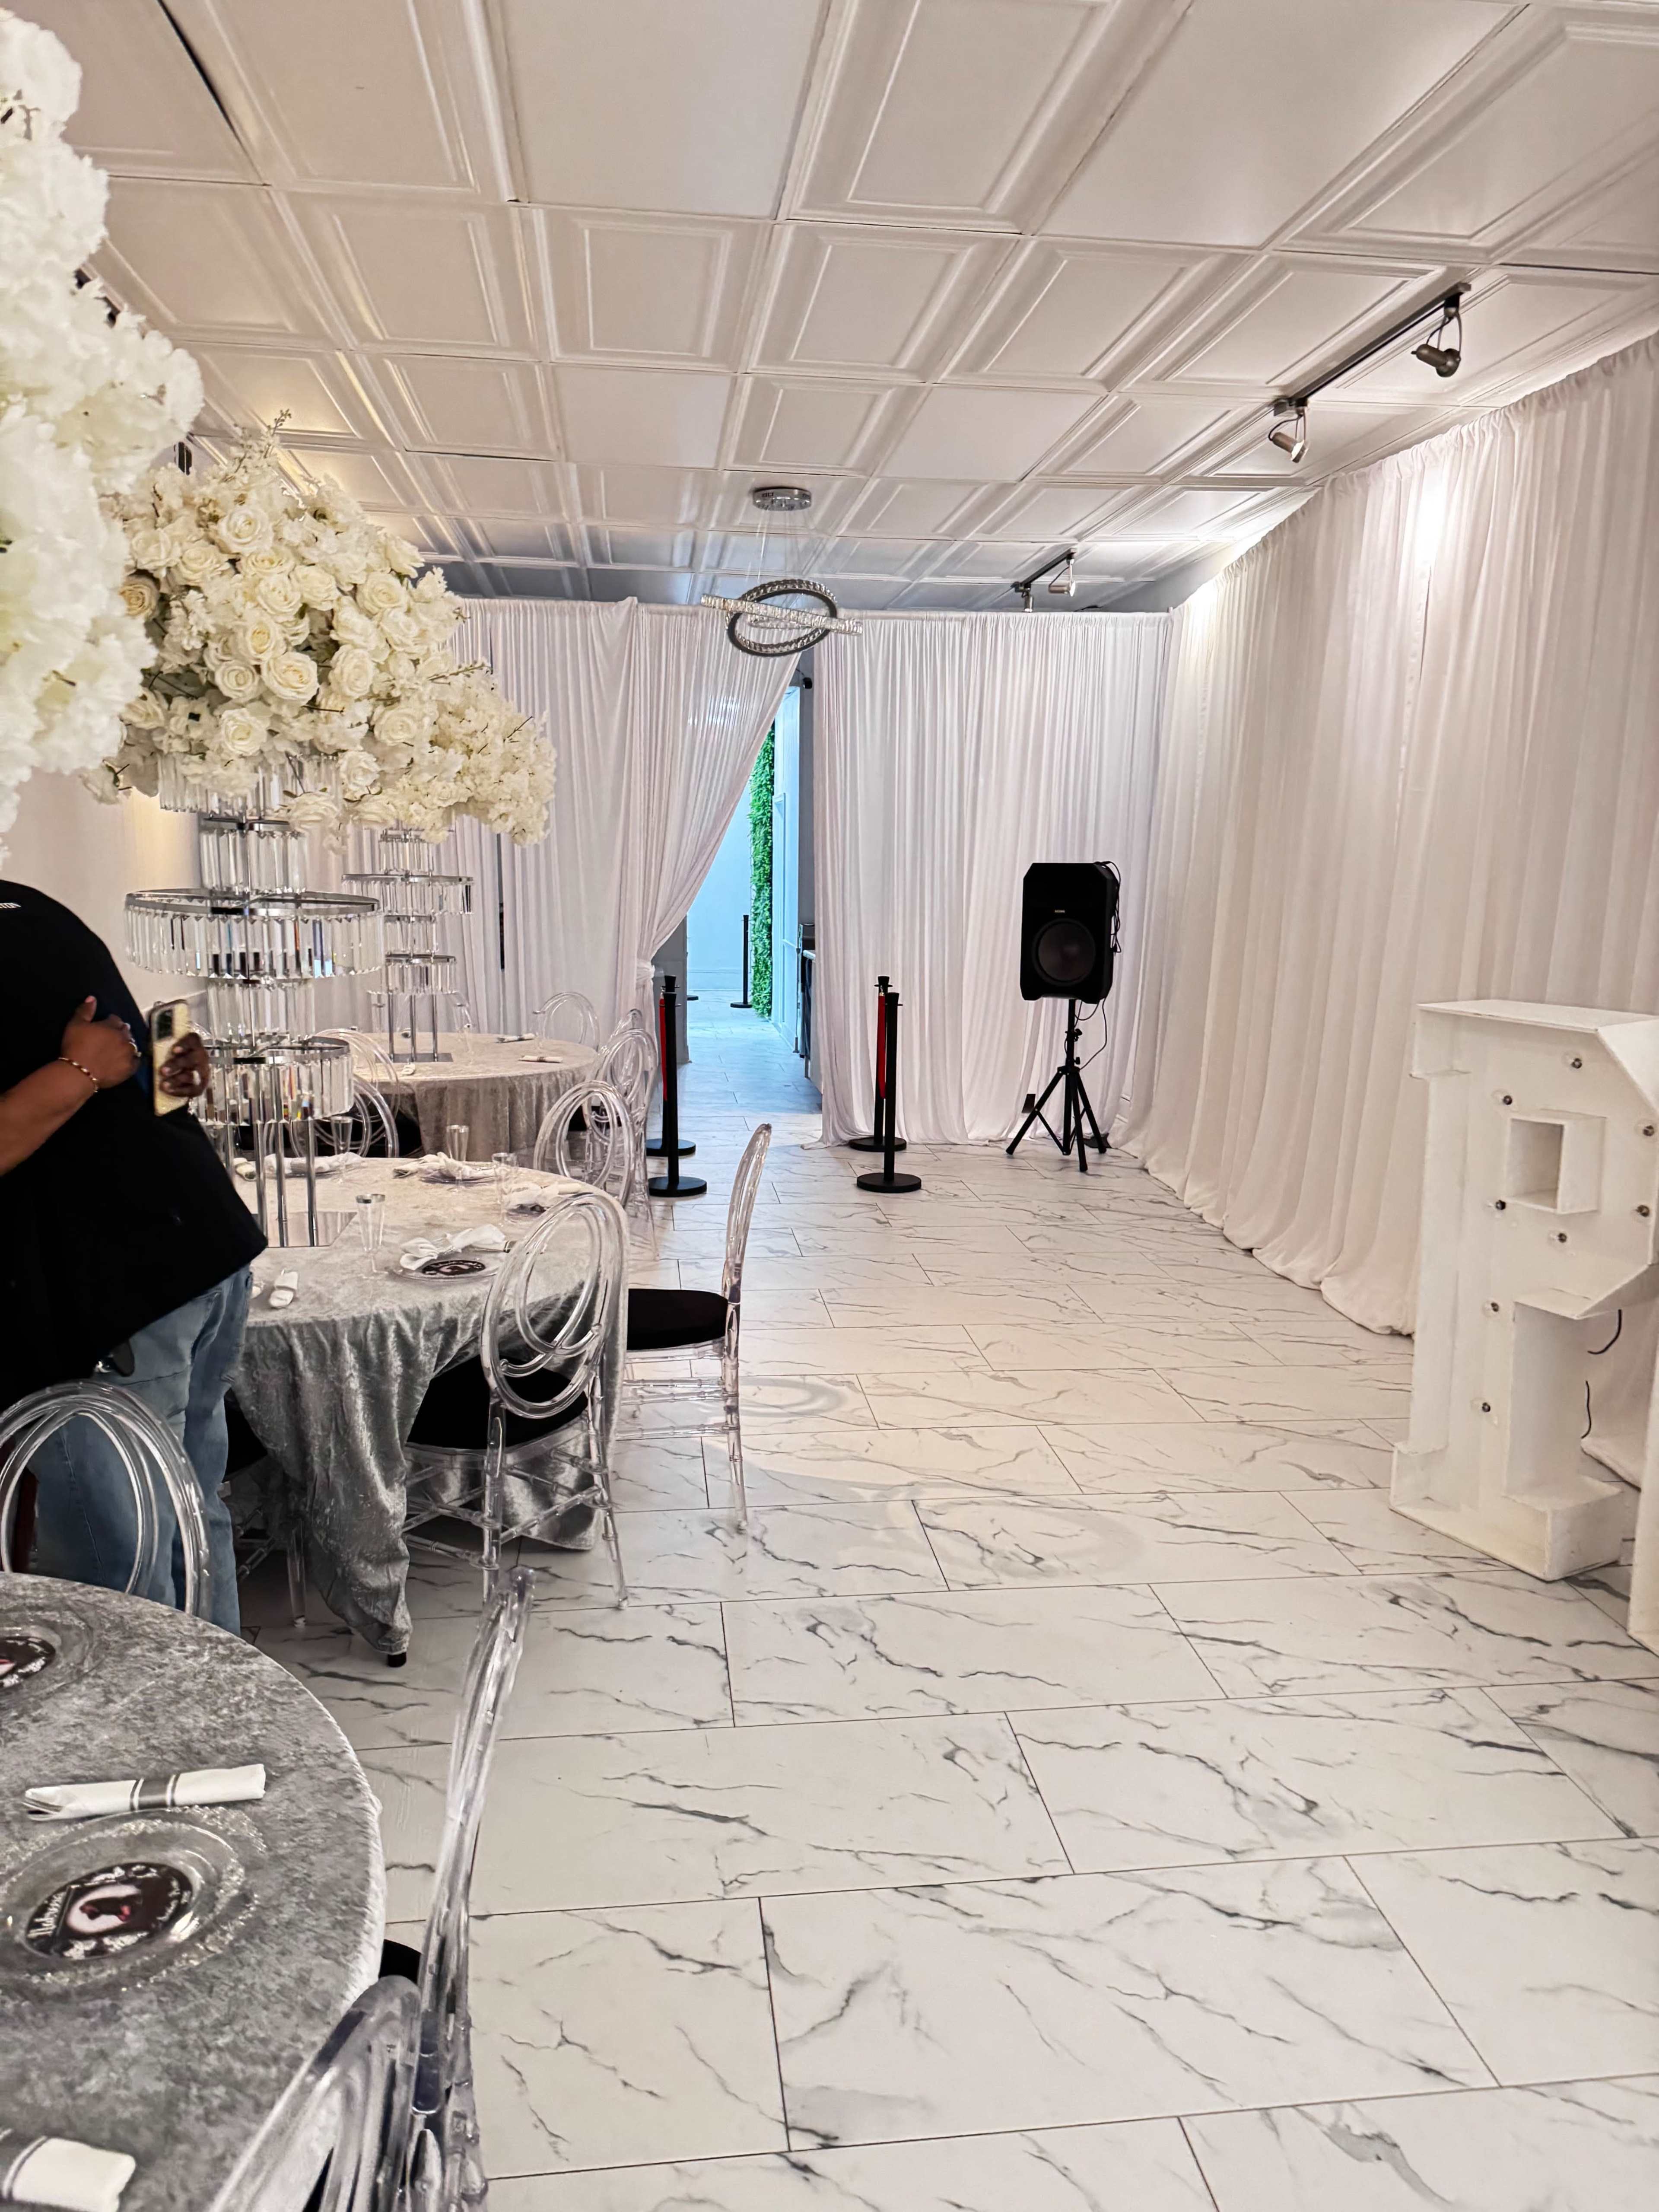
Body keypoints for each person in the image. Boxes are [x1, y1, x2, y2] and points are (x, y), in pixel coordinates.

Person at [0, 880, 266, 1630]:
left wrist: (87, 1074)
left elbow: (119, 1052)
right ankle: (213, 1702)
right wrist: (153, 1064)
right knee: (185, 1506)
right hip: (192, 1246)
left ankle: (157, 1732)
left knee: (119, 1554)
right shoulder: (33, 906)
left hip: (117, 1284)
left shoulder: (30, 909)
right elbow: (140, 1043)